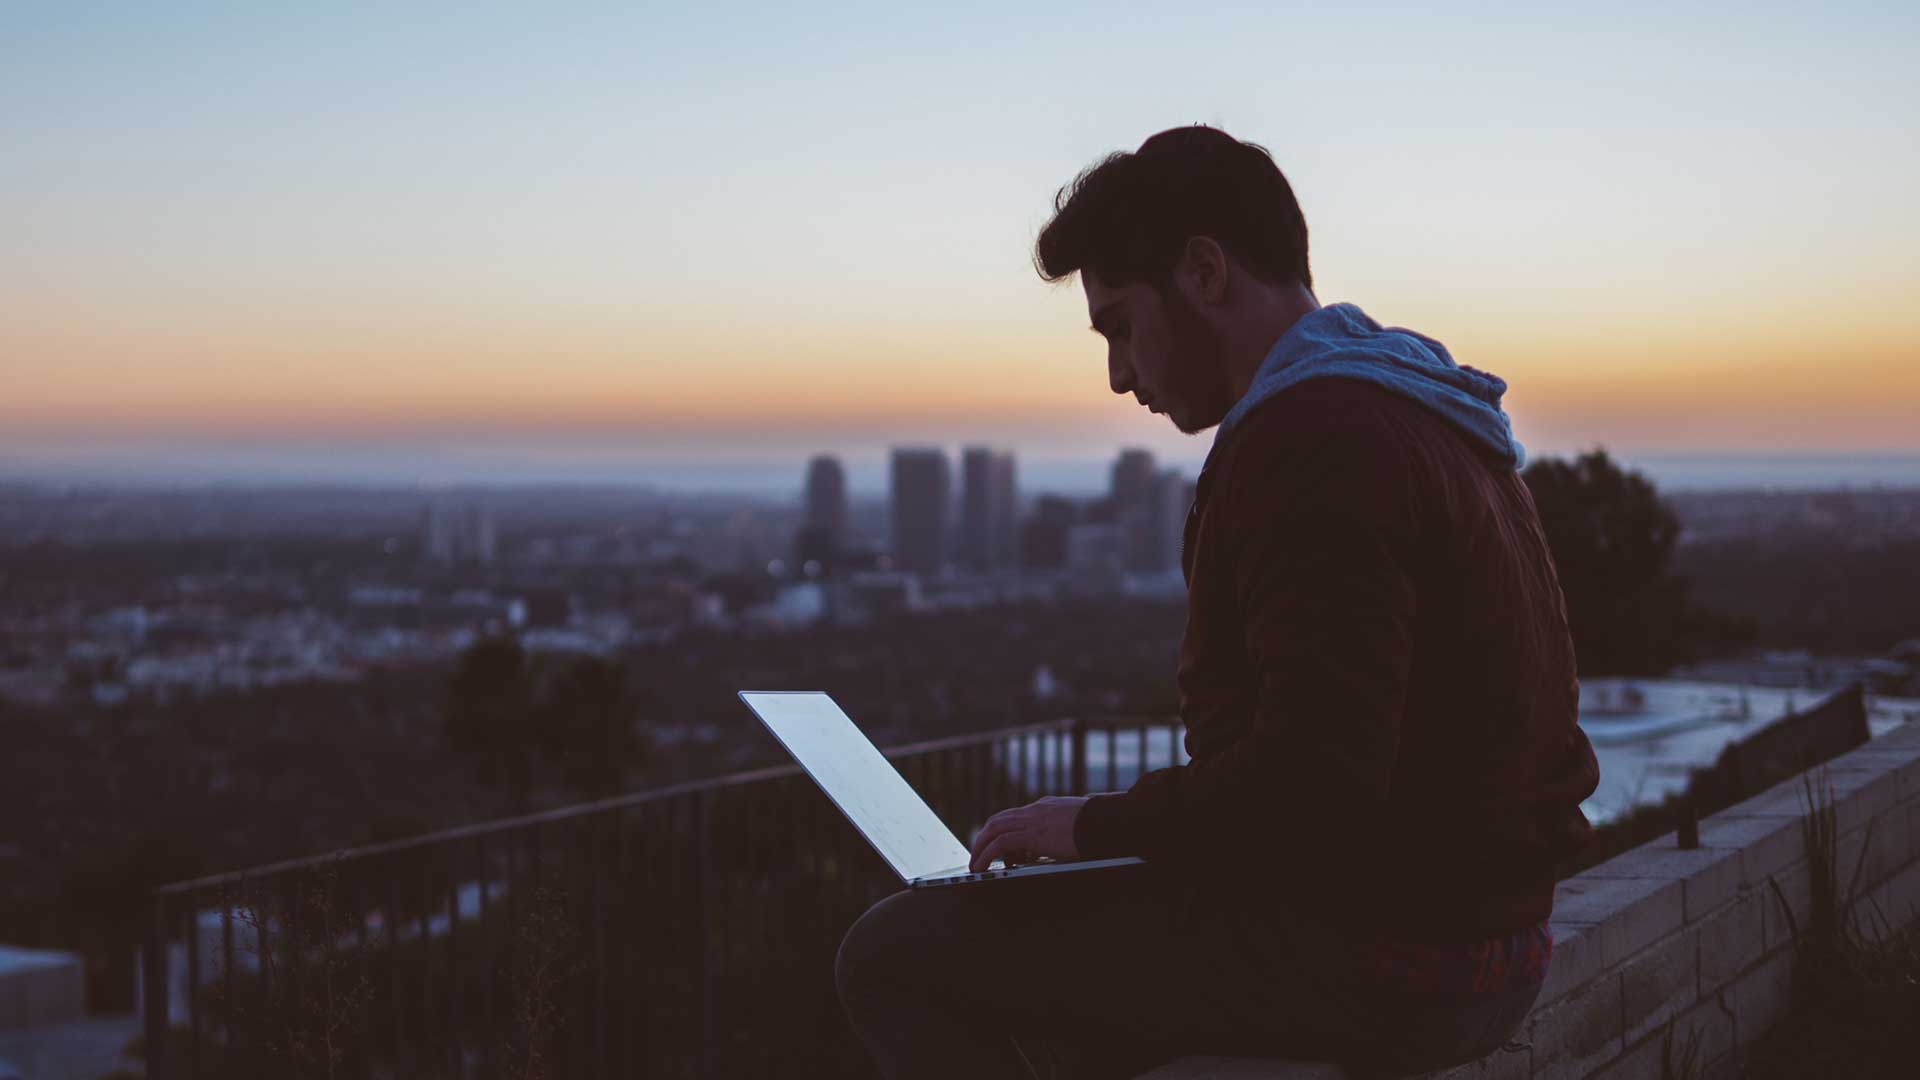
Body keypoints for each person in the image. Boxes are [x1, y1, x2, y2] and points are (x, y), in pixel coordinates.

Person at [835, 125, 1601, 1080]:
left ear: (1202, 271)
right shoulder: (1427, 410)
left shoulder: (1312, 439)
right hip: (1485, 933)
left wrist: (1095, 828)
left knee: (896, 954)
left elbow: (1314, 783)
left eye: (1119, 324)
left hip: (1396, 958)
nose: (1118, 374)